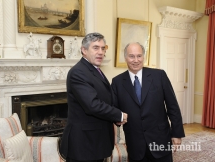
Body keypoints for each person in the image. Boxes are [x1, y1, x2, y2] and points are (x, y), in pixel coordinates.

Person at [59, 32, 128, 162]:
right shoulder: (78, 72)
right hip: (83, 145)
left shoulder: (95, 69)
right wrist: (118, 115)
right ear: (84, 50)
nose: (101, 52)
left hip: (95, 143)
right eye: (96, 48)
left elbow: (105, 98)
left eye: (103, 48)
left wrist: (115, 117)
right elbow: (93, 105)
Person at [111, 42, 185, 162]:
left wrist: (177, 134)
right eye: (131, 56)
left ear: (143, 57)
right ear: (125, 58)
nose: (136, 60)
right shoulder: (117, 82)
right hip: (135, 143)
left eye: (139, 56)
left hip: (160, 140)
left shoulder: (159, 75)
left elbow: (173, 106)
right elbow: (114, 108)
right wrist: (118, 119)